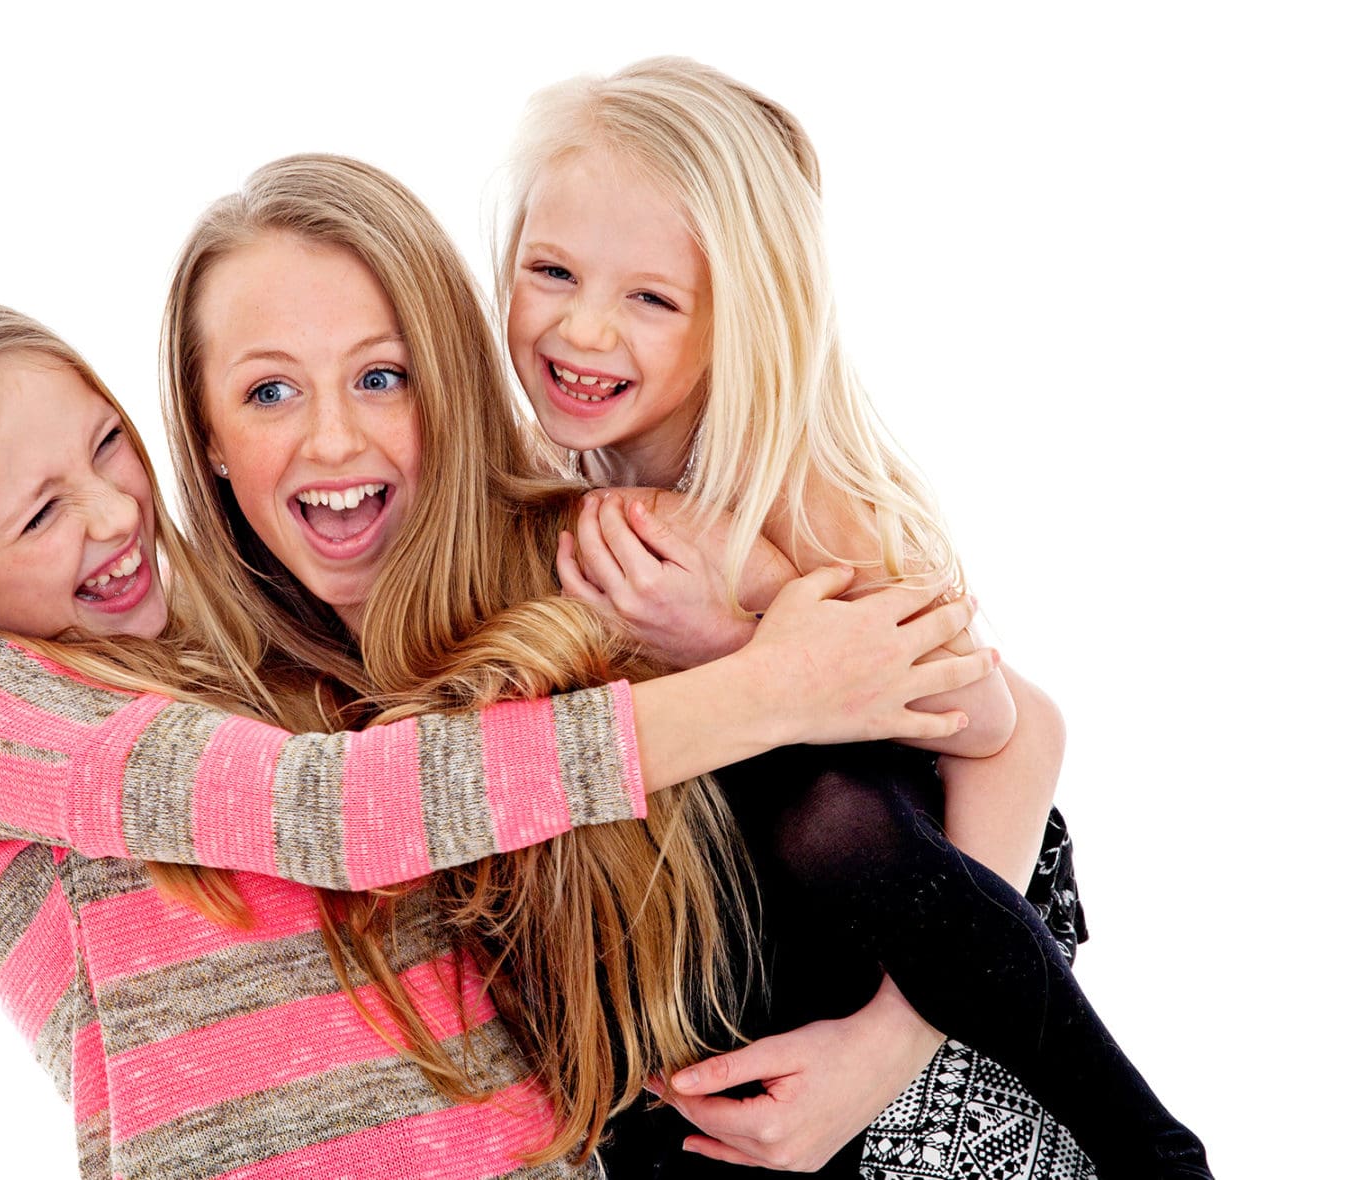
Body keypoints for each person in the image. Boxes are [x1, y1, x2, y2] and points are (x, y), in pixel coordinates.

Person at [0, 293, 988, 1179]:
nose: (113, 511)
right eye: (39, 513)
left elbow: (1001, 726)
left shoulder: (229, 655)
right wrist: (772, 686)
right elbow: (337, 813)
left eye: (104, 443)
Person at [495, 58, 1212, 1176]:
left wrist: (754, 629)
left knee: (808, 784)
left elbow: (994, 722)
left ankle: (1156, 1152)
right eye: (551, 270)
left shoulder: (794, 493)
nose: (584, 329)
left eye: (651, 297)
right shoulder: (542, 487)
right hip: (731, 949)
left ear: (742, 318)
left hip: (939, 915)